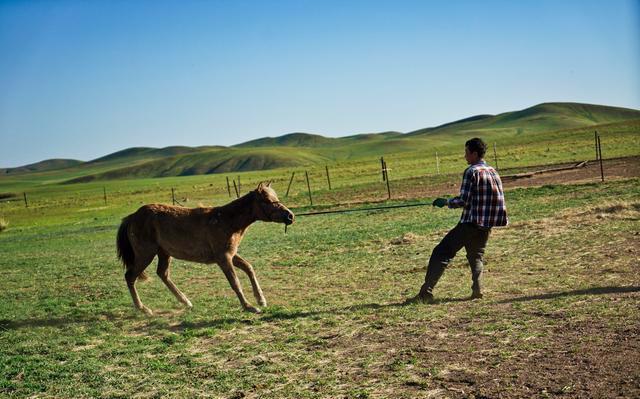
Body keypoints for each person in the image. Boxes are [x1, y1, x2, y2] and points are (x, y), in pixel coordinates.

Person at [410, 137, 508, 303]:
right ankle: (478, 290)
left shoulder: (472, 171)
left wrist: (446, 202)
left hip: (470, 223)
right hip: (486, 224)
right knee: (476, 256)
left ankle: (426, 293)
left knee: (441, 252)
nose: (465, 156)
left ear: (474, 153)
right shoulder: (493, 171)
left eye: (466, 152)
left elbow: (464, 200)